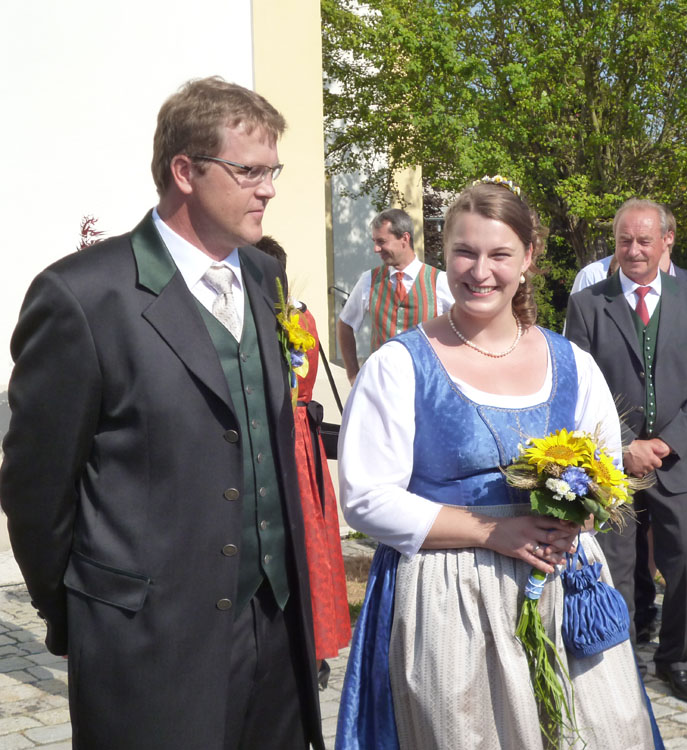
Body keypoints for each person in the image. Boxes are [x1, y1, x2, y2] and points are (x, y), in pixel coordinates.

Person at [0, 78, 323, 748]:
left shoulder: (264, 278)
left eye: (273, 171)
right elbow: (36, 488)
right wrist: (82, 613)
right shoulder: (83, 295)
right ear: (184, 171)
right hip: (149, 643)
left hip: (276, 630)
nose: (268, 190)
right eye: (249, 171)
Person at [335, 179, 662, 749]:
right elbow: (366, 498)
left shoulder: (572, 362)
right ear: (444, 254)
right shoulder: (400, 365)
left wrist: (581, 513)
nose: (480, 271)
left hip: (562, 585)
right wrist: (494, 531)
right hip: (449, 596)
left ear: (528, 257)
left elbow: (609, 473)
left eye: (499, 254)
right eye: (465, 252)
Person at [564, 198, 687, 703]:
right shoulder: (588, 304)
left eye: (644, 240)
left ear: (666, 241)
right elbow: (578, 389)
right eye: (624, 240)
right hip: (613, 462)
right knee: (615, 565)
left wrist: (668, 442)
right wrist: (624, 446)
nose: (633, 250)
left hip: (678, 460)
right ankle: (620, 663)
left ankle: (675, 658)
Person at [256, 235, 352, 687]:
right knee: (309, 537)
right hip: (301, 435)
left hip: (284, 436)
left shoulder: (276, 321)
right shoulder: (302, 316)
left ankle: (301, 647)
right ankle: (312, 648)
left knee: (294, 537)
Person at [336, 208, 453, 383]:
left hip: (426, 385)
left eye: (381, 242)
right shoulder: (369, 280)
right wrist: (353, 376)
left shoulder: (440, 281)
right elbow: (345, 324)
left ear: (404, 239)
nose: (376, 249)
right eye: (374, 241)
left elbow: (466, 328)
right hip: (381, 384)